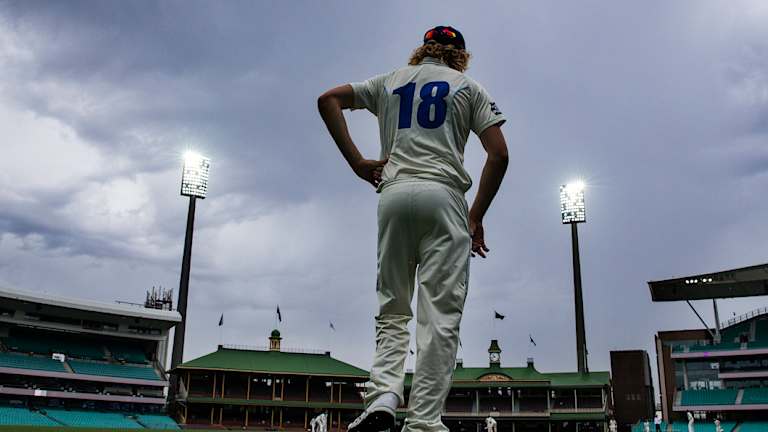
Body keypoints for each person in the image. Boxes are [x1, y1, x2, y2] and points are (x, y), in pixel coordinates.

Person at [318, 25, 508, 432]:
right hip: (443, 196)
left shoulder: (390, 80)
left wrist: (357, 163)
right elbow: (499, 155)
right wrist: (476, 216)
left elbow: (328, 99)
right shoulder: (469, 87)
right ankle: (422, 421)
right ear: (460, 56)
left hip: (393, 192)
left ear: (422, 50)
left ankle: (383, 398)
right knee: (439, 316)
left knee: (393, 308)